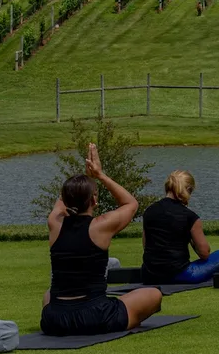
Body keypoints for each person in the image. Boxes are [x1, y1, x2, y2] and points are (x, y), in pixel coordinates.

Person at [41, 144, 162, 336]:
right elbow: (131, 203)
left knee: (48, 294)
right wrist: (99, 175)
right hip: (95, 316)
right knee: (154, 294)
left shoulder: (54, 223)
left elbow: (66, 197)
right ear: (94, 201)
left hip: (55, 320)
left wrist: (83, 179)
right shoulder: (100, 226)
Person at [141, 171, 219, 285]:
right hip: (179, 274)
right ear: (188, 190)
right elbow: (204, 253)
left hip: (149, 275)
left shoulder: (149, 211)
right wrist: (190, 238)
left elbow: (146, 245)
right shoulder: (189, 216)